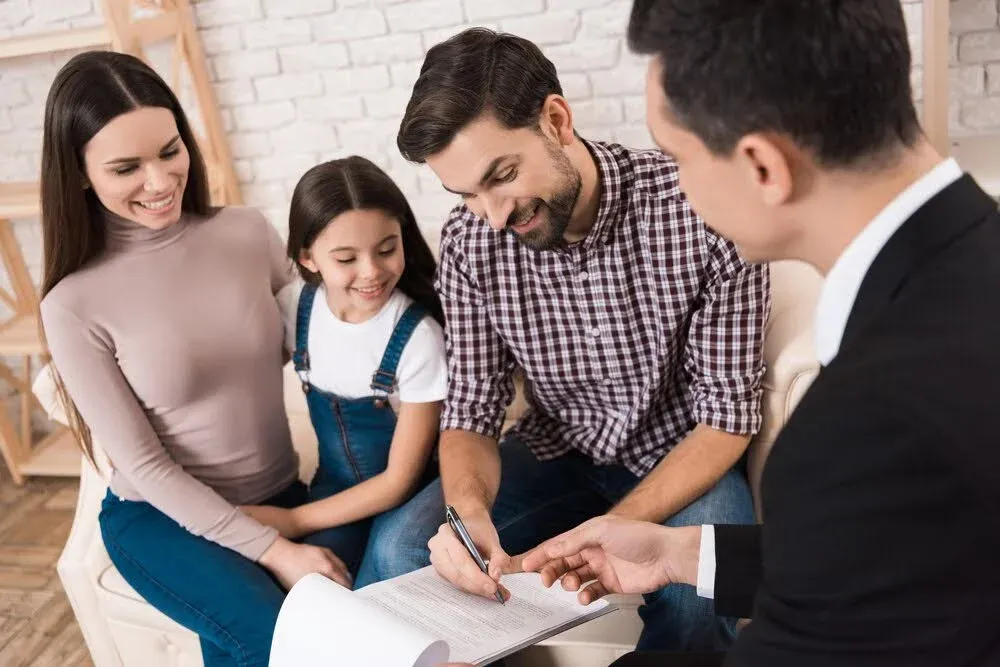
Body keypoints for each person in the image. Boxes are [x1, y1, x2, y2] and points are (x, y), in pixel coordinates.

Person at [514, 1, 1000, 666]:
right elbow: (908, 546)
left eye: (676, 157)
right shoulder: (972, 256)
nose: (677, 186)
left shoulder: (858, 425)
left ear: (764, 166)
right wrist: (683, 552)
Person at [366, 27, 771, 652]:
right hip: (556, 450)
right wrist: (467, 511)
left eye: (501, 176)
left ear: (556, 119)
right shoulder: (469, 240)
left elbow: (725, 418)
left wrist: (617, 527)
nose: (493, 214)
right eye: (466, 194)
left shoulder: (701, 210)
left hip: (682, 456)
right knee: (399, 548)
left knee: (701, 594)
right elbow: (473, 410)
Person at [38, 51, 349, 667]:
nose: (159, 181)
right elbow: (144, 469)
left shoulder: (246, 233)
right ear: (78, 174)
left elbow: (324, 345)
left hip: (280, 491)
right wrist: (275, 550)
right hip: (159, 521)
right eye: (127, 167)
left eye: (170, 150)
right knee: (297, 645)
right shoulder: (71, 304)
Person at [239, 156, 447, 581]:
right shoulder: (295, 308)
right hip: (333, 490)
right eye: (346, 258)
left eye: (387, 249)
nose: (371, 271)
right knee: (313, 587)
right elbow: (236, 379)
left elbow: (398, 482)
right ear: (308, 257)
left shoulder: (417, 336)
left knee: (378, 588)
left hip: (411, 492)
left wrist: (293, 521)